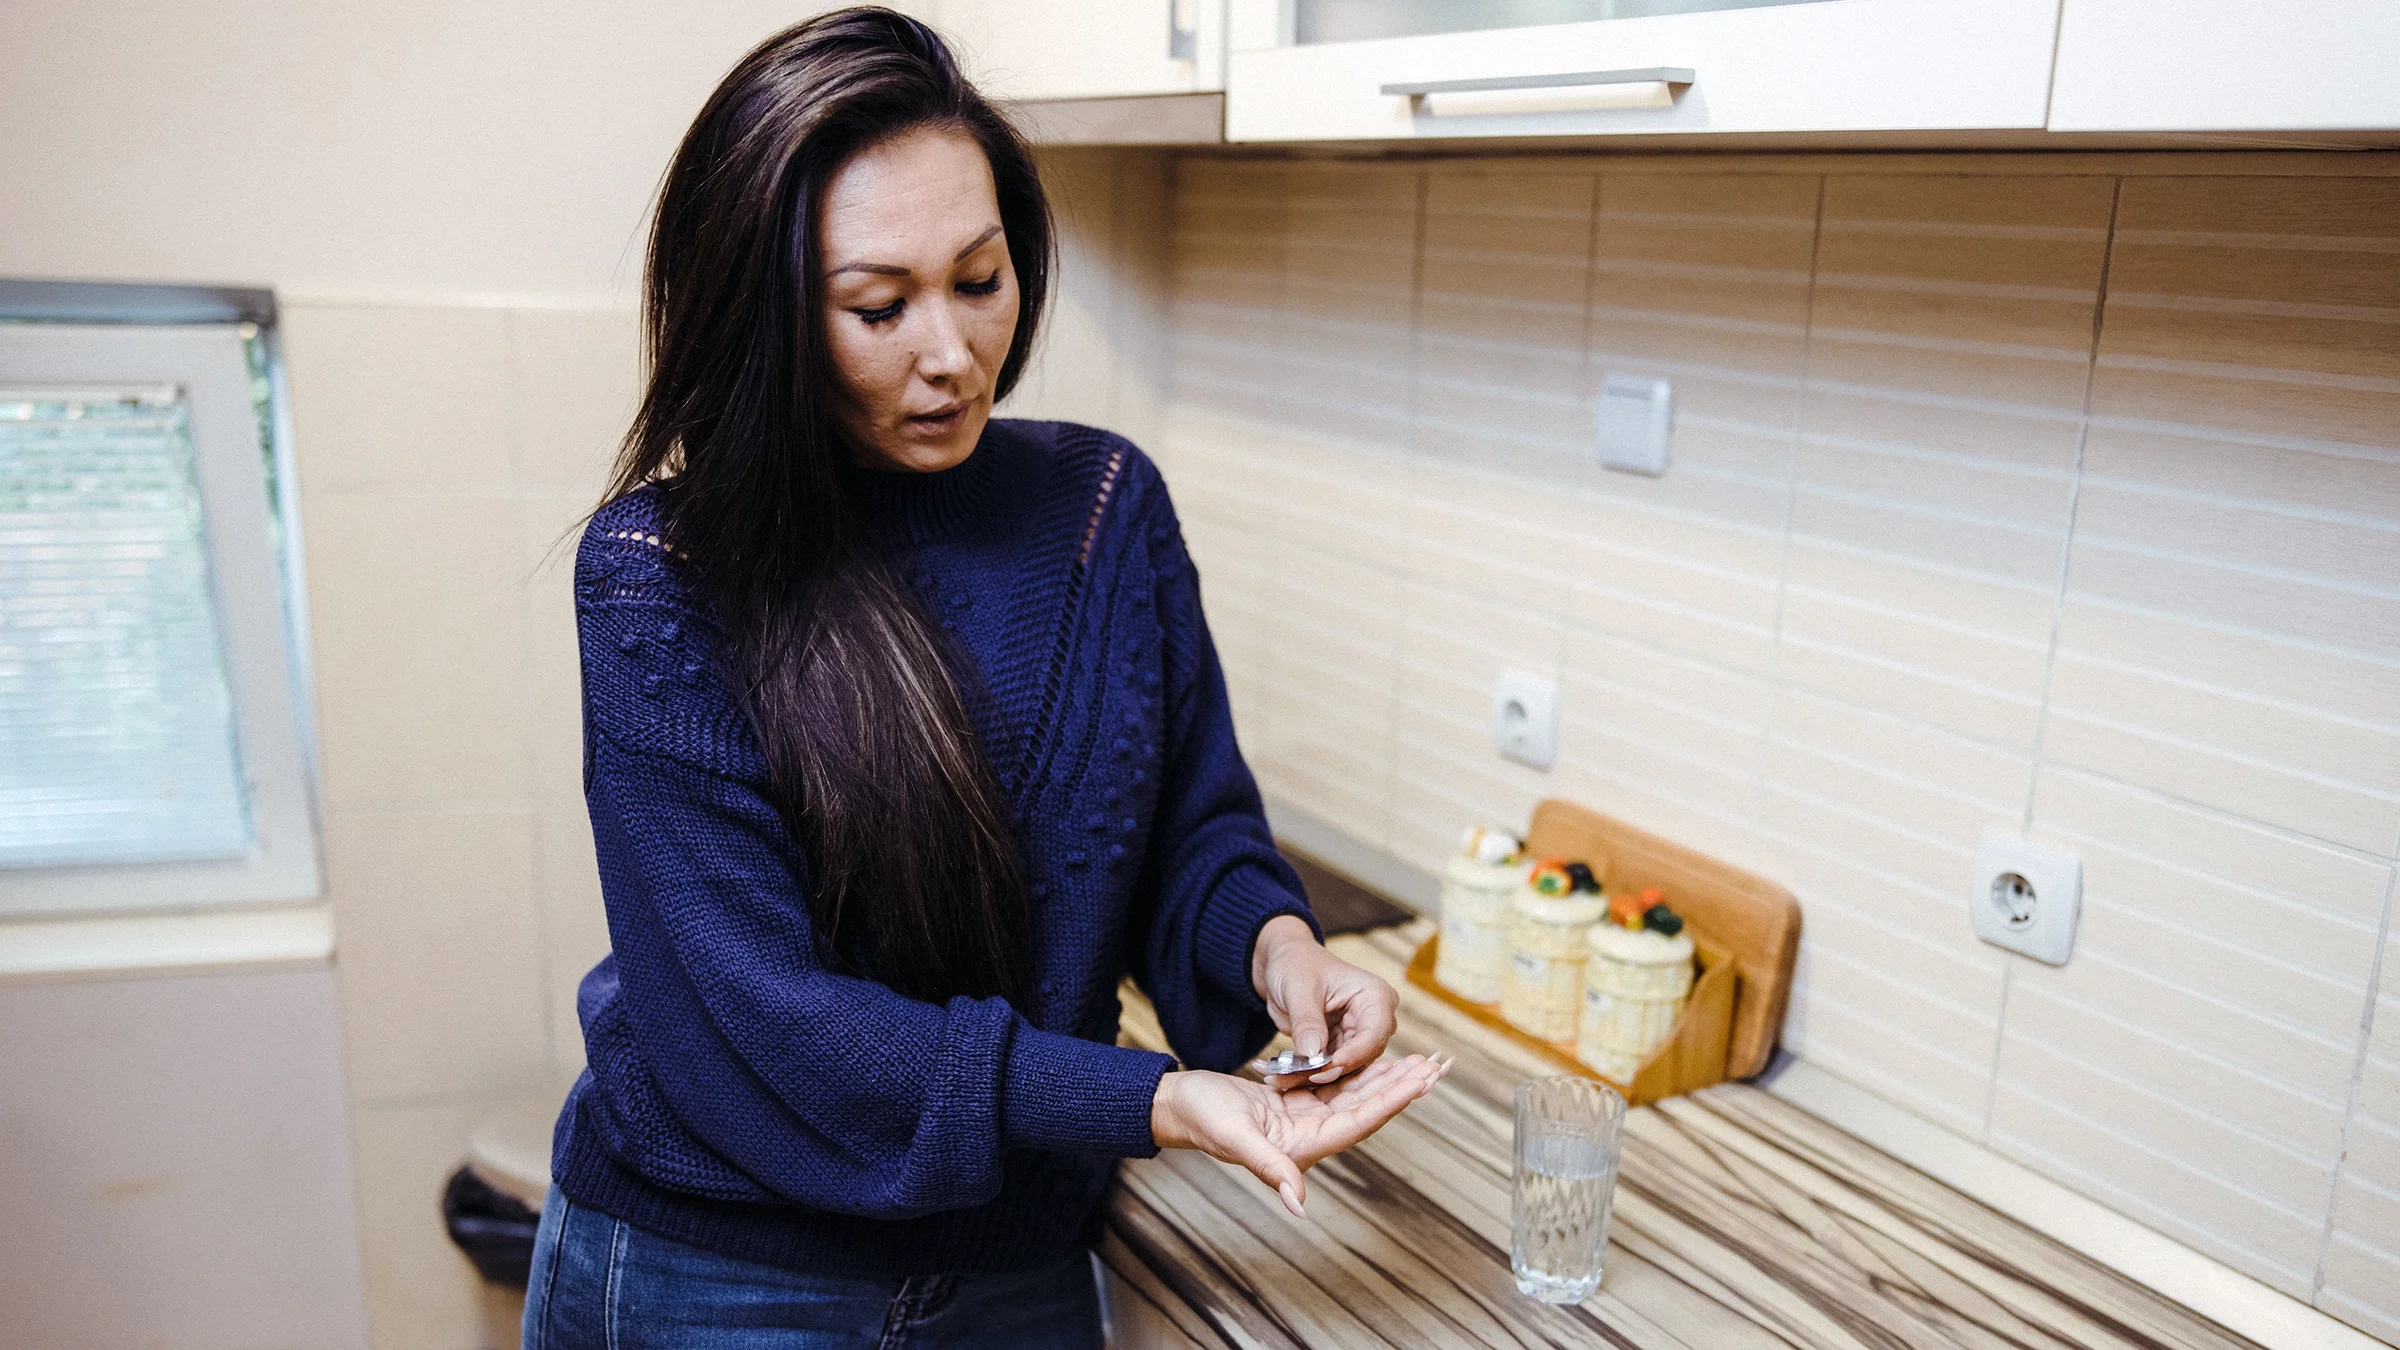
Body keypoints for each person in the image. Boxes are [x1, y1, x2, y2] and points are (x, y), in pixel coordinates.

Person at [522, 10, 1447, 1346]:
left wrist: (1274, 940)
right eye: (879, 306)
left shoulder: (1103, 509)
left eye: (981, 277)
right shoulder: (660, 574)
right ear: (767, 317)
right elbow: (774, 1021)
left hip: (1017, 1269)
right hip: (715, 1277)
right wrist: (1153, 1098)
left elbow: (1189, 830)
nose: (954, 353)